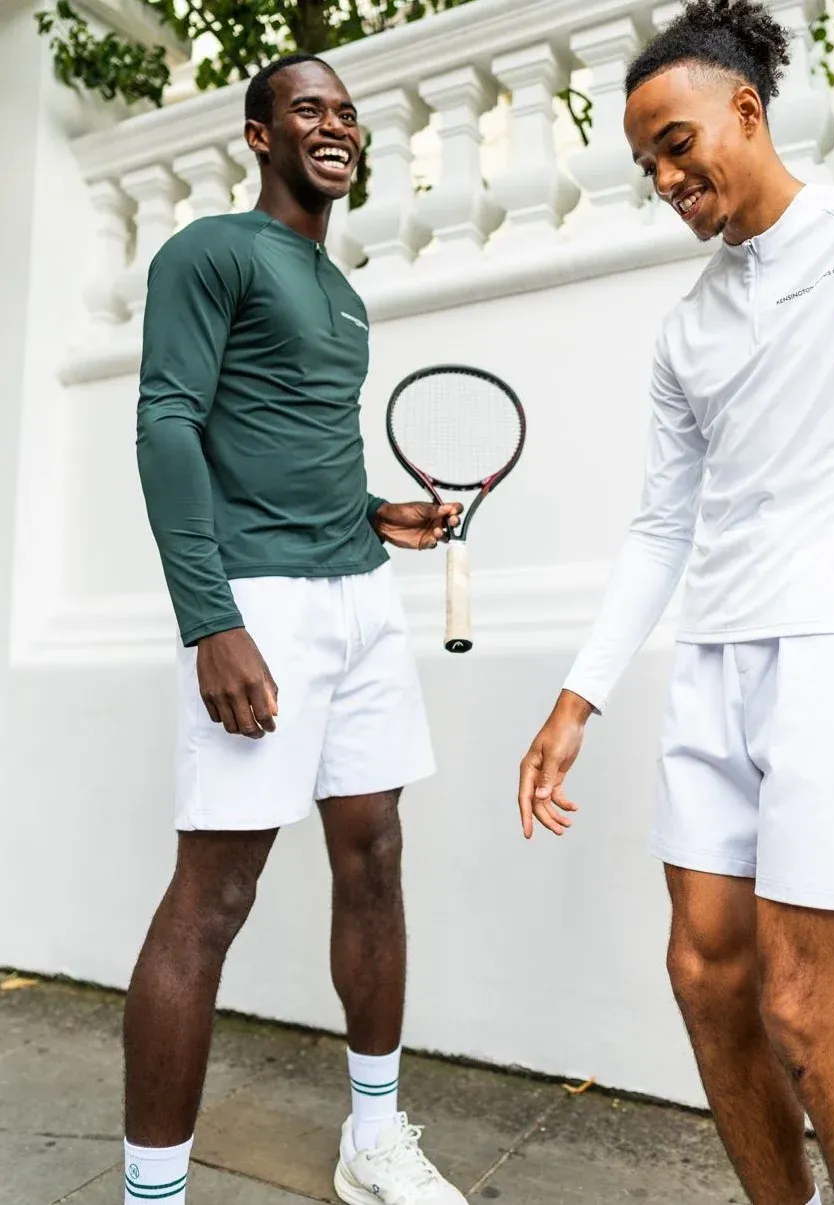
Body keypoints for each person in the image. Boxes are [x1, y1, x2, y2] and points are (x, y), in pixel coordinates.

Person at [517, 2, 834, 1203]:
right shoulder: (686, 329)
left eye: (675, 144)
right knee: (705, 975)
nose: (664, 178)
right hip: (714, 661)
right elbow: (661, 525)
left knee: (806, 1005)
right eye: (646, 163)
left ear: (745, 109)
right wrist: (577, 697)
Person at [127, 53, 467, 1205]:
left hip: (362, 600)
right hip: (258, 603)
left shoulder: (344, 293)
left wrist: (374, 512)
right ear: (260, 136)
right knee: (213, 897)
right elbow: (169, 424)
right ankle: (151, 1193)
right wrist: (209, 620)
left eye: (348, 113)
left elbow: (289, 438)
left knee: (374, 855)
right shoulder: (209, 252)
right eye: (308, 109)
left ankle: (373, 1141)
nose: (335, 125)